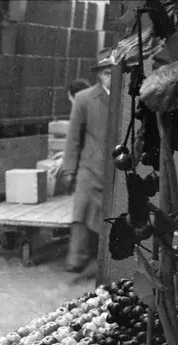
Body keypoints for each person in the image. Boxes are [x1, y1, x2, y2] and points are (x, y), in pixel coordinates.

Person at [62, 48, 114, 274]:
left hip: (115, 167)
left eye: (114, 73)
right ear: (99, 75)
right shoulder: (84, 99)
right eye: (106, 73)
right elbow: (73, 138)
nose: (110, 78)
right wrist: (69, 170)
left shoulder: (127, 98)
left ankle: (108, 258)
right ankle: (77, 258)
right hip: (89, 166)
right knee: (81, 210)